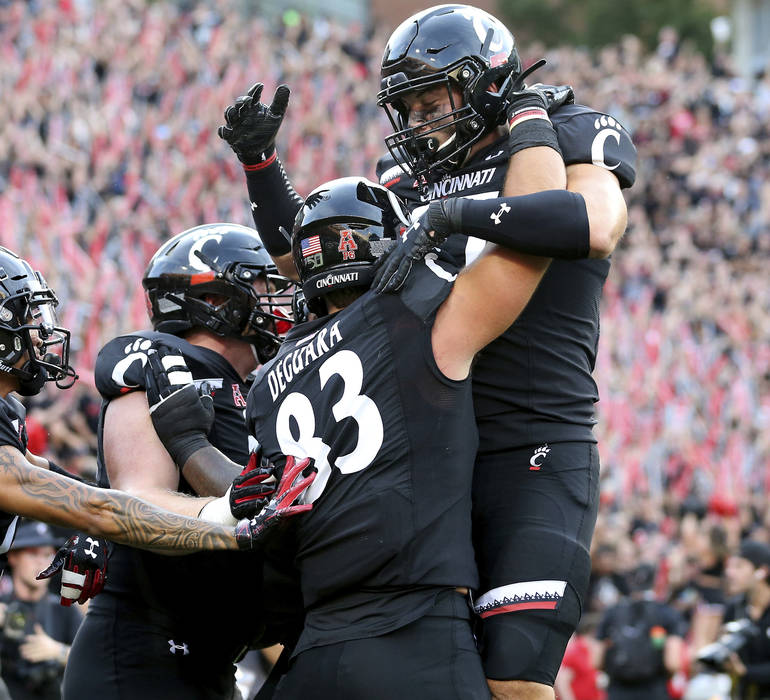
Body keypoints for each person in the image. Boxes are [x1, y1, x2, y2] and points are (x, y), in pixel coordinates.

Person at [218, 5, 636, 698]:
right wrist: (264, 172)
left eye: (431, 99)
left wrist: (452, 214)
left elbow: (593, 224)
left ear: (487, 85)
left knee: (512, 679)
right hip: (433, 452)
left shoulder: (570, 129)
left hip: (531, 442)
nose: (416, 124)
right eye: (404, 108)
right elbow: (323, 265)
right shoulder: (402, 178)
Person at [147, 167, 599, 697]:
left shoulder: (267, 383)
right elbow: (546, 231)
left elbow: (253, 506)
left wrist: (189, 445)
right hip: (415, 633)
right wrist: (504, 152)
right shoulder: (414, 320)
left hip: (314, 646)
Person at [0, 241, 314, 700]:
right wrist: (231, 527)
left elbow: (64, 487)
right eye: (25, 317)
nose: (40, 333)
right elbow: (93, 507)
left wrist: (103, 531)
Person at [63, 224, 296, 700]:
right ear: (214, 300)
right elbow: (138, 500)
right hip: (143, 652)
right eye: (261, 287)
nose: (274, 302)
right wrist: (230, 511)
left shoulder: (257, 386)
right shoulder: (162, 362)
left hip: (212, 657)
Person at [0, 521, 81, 700]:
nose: (43, 562)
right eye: (33, 554)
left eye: (48, 555)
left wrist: (58, 652)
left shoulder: (64, 610)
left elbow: (95, 660)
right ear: (13, 557)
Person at [690, 540, 770, 699]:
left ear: (761, 571)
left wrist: (745, 672)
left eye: (739, 566)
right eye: (730, 566)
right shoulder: (735, 609)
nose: (730, 573)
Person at [595, 564, 686, 700]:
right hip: (654, 690)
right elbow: (672, 663)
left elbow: (595, 660)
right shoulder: (667, 613)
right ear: (657, 581)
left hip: (618, 690)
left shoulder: (612, 612)